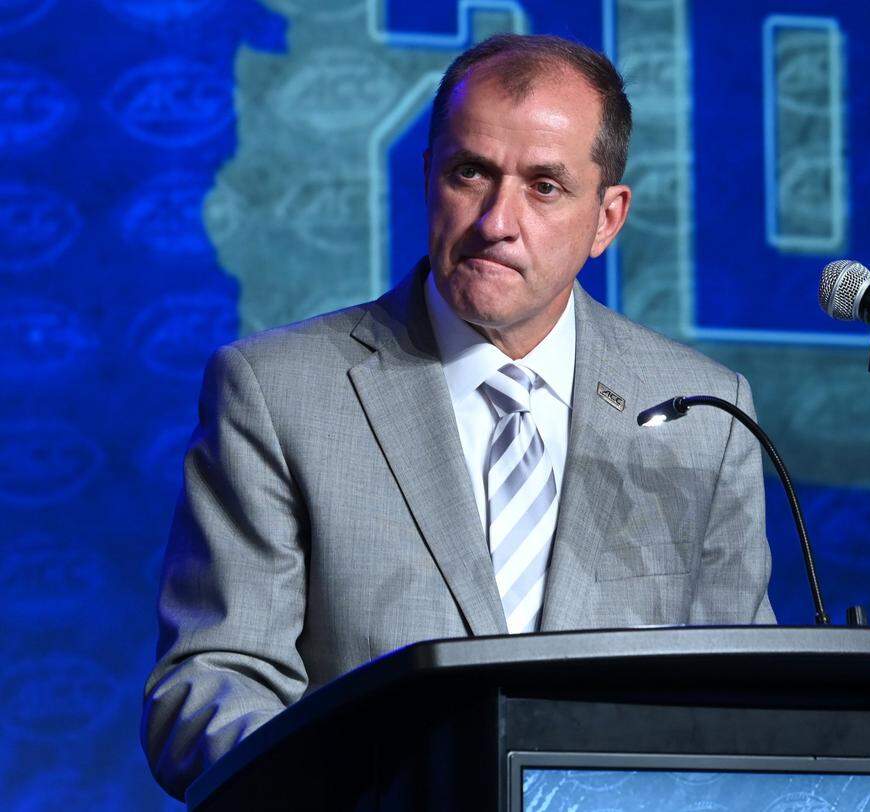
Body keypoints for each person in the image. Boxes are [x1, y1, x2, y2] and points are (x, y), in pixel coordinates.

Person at [142, 33, 775, 800]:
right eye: (470, 172)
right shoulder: (279, 395)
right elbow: (211, 686)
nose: (496, 221)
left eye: (545, 186)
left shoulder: (706, 415)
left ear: (607, 219)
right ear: (427, 176)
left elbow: (745, 706)